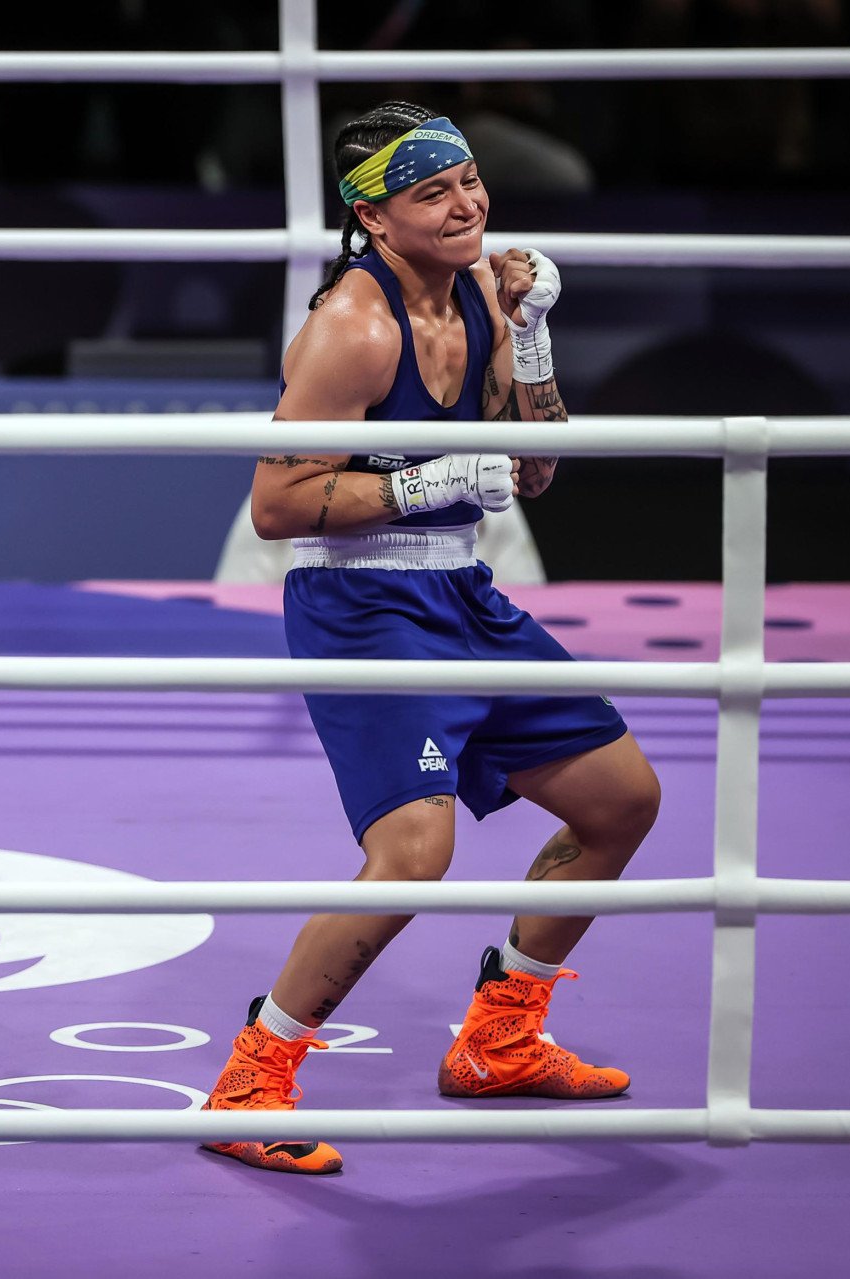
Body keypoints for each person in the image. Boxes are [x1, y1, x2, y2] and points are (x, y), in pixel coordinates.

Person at [199, 101, 662, 1176]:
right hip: (360, 605)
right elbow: (277, 506)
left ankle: (501, 1040)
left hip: (461, 592)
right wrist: (423, 478)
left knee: (621, 802)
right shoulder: (352, 331)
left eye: (468, 182)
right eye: (431, 193)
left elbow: (533, 471)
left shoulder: (484, 300)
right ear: (373, 216)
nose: (465, 207)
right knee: (413, 853)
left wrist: (534, 332)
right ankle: (251, 1079)